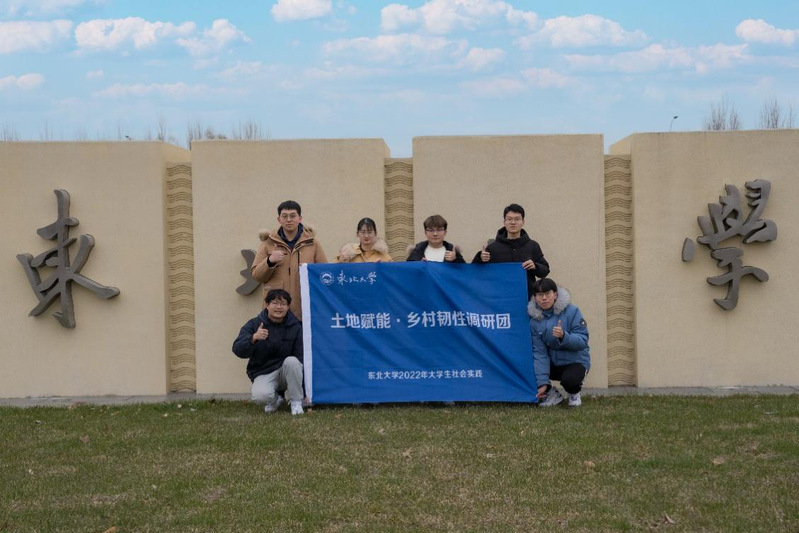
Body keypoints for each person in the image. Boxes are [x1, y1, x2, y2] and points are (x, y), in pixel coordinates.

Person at [232, 289, 305, 415]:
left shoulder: (296, 326)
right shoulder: (254, 324)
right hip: (263, 371)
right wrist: (253, 338)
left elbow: (301, 358)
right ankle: (276, 399)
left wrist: (305, 390)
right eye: (275, 303)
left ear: (288, 307)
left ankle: (296, 402)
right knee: (260, 396)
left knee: (293, 361)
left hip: (286, 371)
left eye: (283, 304)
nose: (279, 307)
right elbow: (237, 349)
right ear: (267, 305)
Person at [252, 200, 328, 320]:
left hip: (304, 308)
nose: (289, 220)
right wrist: (269, 261)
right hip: (276, 310)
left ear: (300, 218)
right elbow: (257, 276)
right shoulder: (268, 242)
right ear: (279, 219)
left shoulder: (312, 242)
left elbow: (324, 273)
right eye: (284, 216)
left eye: (293, 216)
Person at [528, 278, 591, 408]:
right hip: (553, 363)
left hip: (575, 361)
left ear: (555, 295)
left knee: (570, 381)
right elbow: (540, 353)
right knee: (528, 369)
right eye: (540, 295)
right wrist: (543, 383)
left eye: (547, 293)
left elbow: (582, 341)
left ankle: (574, 393)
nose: (544, 298)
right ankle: (552, 394)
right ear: (535, 298)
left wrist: (564, 336)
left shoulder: (572, 311)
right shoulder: (534, 321)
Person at [472, 203, 549, 299]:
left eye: (517, 219)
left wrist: (535, 266)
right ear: (504, 222)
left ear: (523, 222)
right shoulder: (492, 248)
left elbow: (545, 271)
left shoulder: (532, 245)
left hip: (526, 298)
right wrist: (480, 258)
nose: (513, 222)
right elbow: (476, 273)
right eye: (509, 219)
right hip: (500, 299)